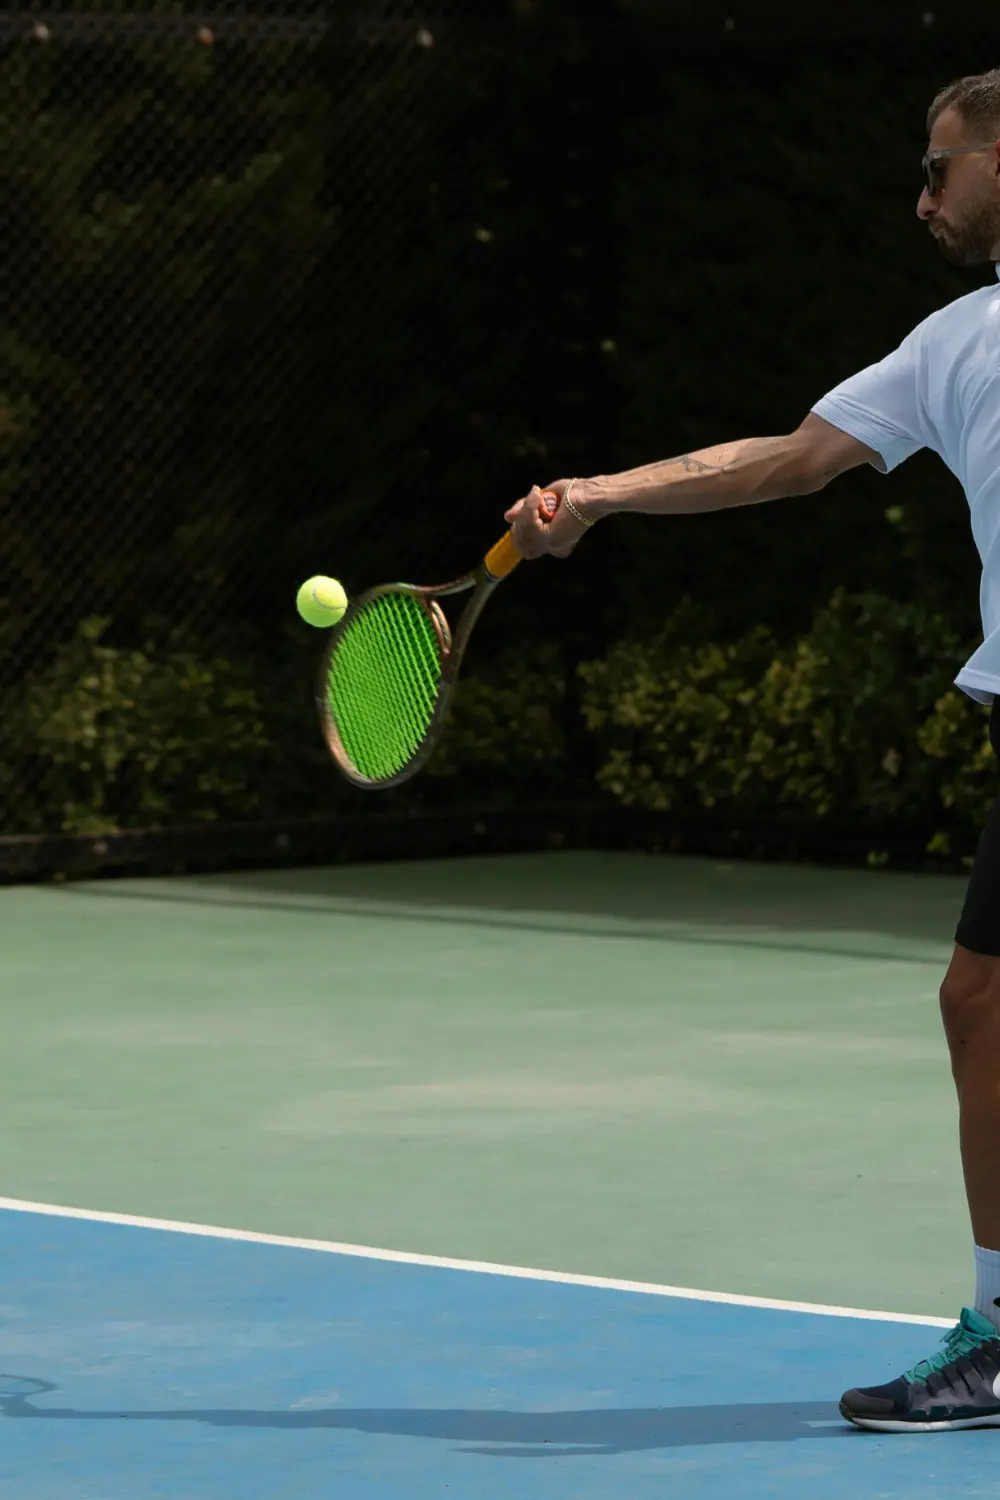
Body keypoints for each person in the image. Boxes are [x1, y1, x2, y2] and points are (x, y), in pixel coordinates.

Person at [506, 68, 1000, 1434]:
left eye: (941, 167)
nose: (921, 197)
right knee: (985, 1004)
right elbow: (786, 457)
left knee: (984, 1002)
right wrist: (598, 497)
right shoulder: (951, 345)